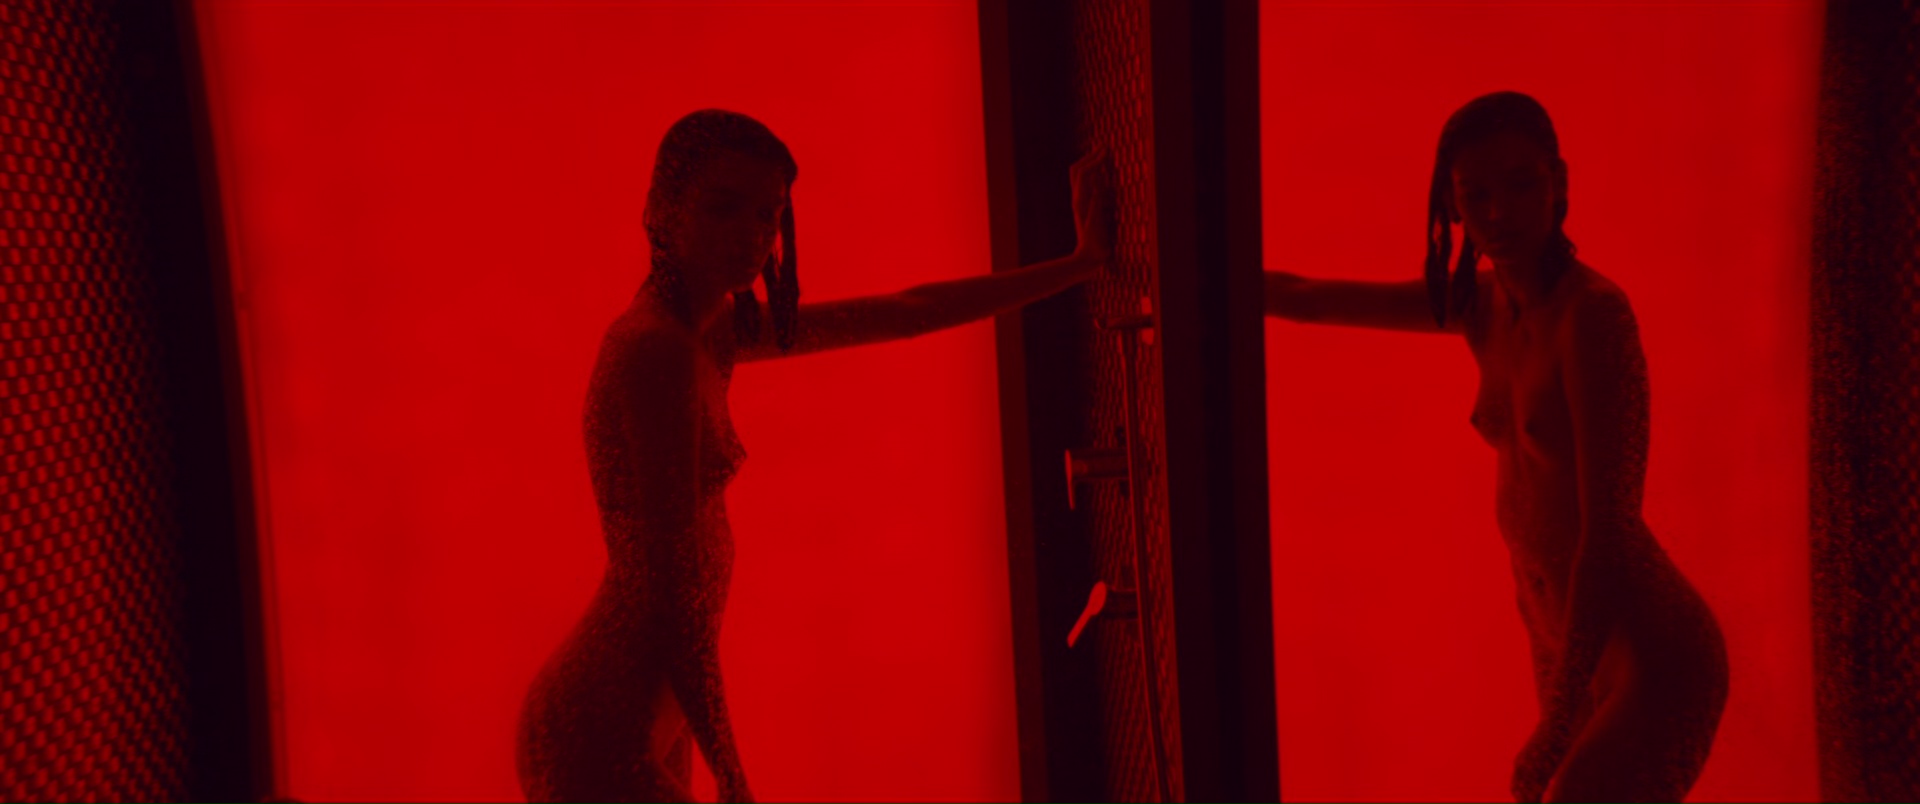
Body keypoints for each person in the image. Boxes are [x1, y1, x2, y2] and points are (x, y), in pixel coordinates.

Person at [515, 109, 1111, 803]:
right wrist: (731, 770)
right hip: (599, 727)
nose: (751, 235)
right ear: (662, 209)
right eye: (723, 207)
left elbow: (902, 312)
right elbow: (669, 591)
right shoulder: (656, 353)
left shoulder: (709, 332)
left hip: (644, 710)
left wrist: (1078, 265)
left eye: (768, 214)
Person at [1264, 92, 1728, 803]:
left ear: (1559, 183)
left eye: (1520, 184)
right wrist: (1137, 262)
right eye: (1474, 194)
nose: (1498, 213)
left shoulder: (1593, 318)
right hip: (1564, 639)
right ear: (1451, 206)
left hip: (1657, 658)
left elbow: (1609, 533)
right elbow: (1308, 298)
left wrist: (1560, 720)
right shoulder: (1481, 307)